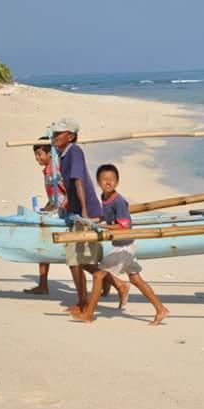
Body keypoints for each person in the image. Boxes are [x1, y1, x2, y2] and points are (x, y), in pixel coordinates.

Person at [72, 164, 169, 325]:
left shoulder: (119, 201)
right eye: (104, 180)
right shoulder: (104, 197)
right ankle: (161, 309)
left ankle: (89, 314)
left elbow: (124, 225)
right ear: (98, 182)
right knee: (136, 279)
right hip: (124, 244)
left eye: (111, 180)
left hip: (124, 245)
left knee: (98, 275)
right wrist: (90, 221)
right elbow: (106, 217)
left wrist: (102, 227)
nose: (108, 183)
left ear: (117, 182)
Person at [52, 118, 129, 312]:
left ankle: (112, 287)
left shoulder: (75, 152)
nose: (54, 137)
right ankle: (84, 299)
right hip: (75, 211)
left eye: (57, 134)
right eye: (53, 134)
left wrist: (85, 213)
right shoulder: (63, 154)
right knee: (75, 260)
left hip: (86, 212)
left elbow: (78, 181)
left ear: (70, 136)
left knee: (78, 259)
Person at [23, 136, 67, 295]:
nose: (37, 159)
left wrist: (59, 209)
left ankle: (113, 282)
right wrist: (46, 208)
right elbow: (53, 198)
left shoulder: (56, 171)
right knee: (42, 247)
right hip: (54, 211)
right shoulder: (48, 171)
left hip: (63, 214)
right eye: (35, 155)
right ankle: (43, 284)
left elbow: (66, 192)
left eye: (39, 154)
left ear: (50, 154)